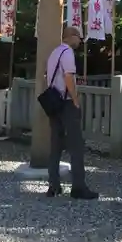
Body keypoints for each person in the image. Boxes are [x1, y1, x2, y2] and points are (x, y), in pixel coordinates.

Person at [46, 26, 98, 200]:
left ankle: (53, 185)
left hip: (53, 103)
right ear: (71, 37)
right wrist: (75, 99)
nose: (80, 41)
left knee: (55, 144)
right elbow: (69, 77)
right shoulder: (67, 53)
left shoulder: (54, 53)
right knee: (76, 145)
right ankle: (78, 187)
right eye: (79, 37)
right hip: (66, 102)